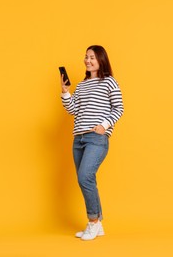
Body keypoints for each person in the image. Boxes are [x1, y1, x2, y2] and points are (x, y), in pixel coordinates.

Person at [60, 45, 124, 240]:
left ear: (101, 60)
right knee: (88, 180)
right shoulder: (81, 85)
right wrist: (65, 92)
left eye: (92, 57)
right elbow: (72, 109)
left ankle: (92, 222)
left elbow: (119, 108)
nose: (88, 60)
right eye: (86, 57)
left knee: (84, 177)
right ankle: (99, 225)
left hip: (96, 138)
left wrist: (104, 125)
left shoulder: (109, 82)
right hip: (78, 139)